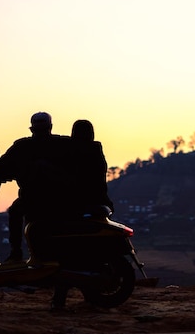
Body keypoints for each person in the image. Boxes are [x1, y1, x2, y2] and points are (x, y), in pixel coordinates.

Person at [50, 119, 115, 310]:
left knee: (66, 253)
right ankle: (87, 294)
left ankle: (59, 298)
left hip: (77, 208)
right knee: (84, 253)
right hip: (95, 205)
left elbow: (67, 181)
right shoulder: (96, 151)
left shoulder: (74, 153)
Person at [0, 112, 69, 262]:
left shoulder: (23, 146)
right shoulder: (61, 144)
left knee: (15, 212)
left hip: (35, 198)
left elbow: (2, 165)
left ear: (31, 129)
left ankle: (16, 253)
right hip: (58, 198)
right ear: (51, 127)